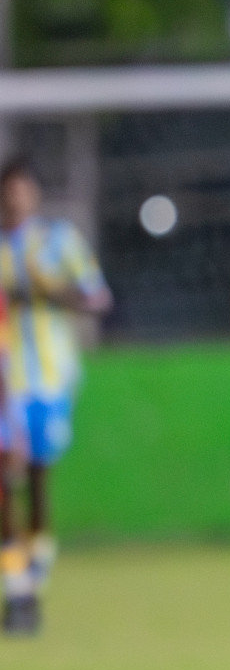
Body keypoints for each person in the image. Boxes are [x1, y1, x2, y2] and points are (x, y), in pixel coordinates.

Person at [0, 158, 112, 636]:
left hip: (48, 378)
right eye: (9, 191)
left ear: (35, 194)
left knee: (39, 484)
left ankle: (31, 582)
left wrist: (51, 293)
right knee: (6, 479)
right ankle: (18, 589)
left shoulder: (57, 242)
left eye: (22, 190)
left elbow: (97, 297)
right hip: (6, 379)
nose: (15, 198)